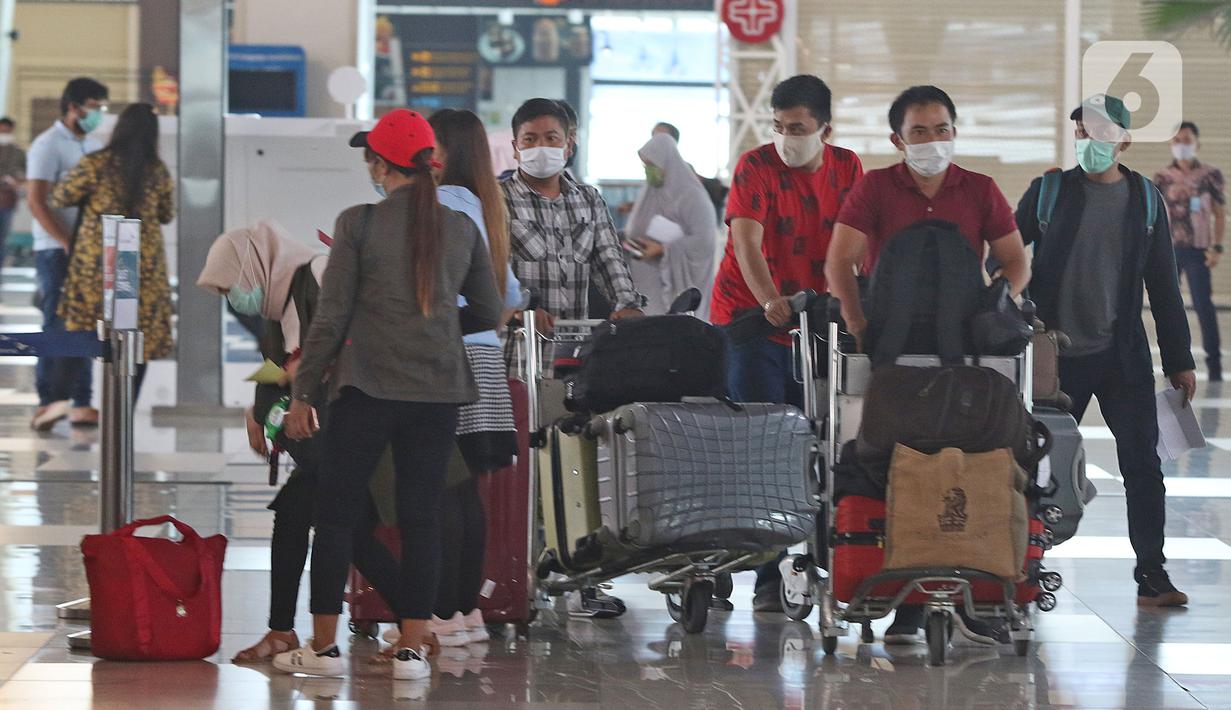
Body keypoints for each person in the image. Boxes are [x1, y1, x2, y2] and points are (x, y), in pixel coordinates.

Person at [274, 109, 502, 680]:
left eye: (369, 158)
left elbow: (330, 320)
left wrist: (303, 393)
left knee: (336, 513)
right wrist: (436, 328)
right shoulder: (461, 228)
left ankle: (323, 651)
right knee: (422, 516)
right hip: (439, 392)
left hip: (368, 388)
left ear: (380, 164)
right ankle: (411, 650)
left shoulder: (359, 222)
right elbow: (489, 312)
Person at [826, 85, 1030, 645]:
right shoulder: (874, 188)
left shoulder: (980, 190)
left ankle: (973, 583)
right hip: (890, 350)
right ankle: (905, 590)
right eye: (920, 132)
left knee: (965, 459)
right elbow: (839, 262)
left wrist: (995, 307)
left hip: (963, 351)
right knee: (896, 459)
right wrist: (859, 322)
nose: (933, 141)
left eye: (942, 129)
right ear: (898, 139)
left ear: (954, 132)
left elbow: (1014, 261)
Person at [1016, 94, 1195, 609]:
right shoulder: (1049, 191)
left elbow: (1163, 285)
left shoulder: (1145, 199)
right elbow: (1003, 253)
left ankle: (1152, 576)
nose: (1090, 141)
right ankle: (1025, 566)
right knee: (1034, 464)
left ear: (1124, 138)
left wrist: (1179, 359)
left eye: (1100, 131)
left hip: (1122, 355)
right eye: (1081, 131)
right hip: (1053, 355)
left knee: (1143, 464)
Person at [196, 220, 403, 664]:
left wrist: (307, 368)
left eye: (235, 285)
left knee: (342, 529)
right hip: (323, 436)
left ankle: (417, 627)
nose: (236, 298)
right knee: (304, 519)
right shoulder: (278, 306)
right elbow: (273, 367)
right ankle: (283, 631)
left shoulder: (321, 274)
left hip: (357, 424)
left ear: (257, 264)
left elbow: (365, 334)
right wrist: (256, 408)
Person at [709, 74, 864, 613]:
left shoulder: (847, 168)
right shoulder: (756, 167)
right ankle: (754, 569)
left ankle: (811, 556)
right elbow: (746, 242)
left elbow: (855, 243)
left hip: (817, 323)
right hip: (752, 318)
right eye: (778, 126)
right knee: (758, 443)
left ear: (825, 126)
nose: (786, 137)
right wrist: (770, 299)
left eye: (797, 128)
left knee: (816, 444)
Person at [502, 97, 642, 618]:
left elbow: (611, 262)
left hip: (576, 359)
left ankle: (581, 578)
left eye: (551, 138)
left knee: (575, 466)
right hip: (515, 359)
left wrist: (628, 307)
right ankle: (519, 577)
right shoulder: (499, 200)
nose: (542, 148)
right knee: (523, 470)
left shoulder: (588, 199)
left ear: (571, 141)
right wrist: (519, 312)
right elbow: (490, 269)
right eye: (530, 139)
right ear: (515, 145)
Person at [421, 107, 522, 646]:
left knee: (440, 487)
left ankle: (442, 612)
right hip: (484, 354)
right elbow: (508, 296)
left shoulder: (442, 204)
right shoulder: (487, 205)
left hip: (446, 354)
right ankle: (465, 613)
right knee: (464, 493)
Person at [51, 102, 174, 399]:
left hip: (97, 262)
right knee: (136, 338)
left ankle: (58, 399)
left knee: (80, 328)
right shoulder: (157, 171)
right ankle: (125, 409)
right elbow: (166, 213)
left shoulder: (96, 163)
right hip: (141, 266)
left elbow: (60, 196)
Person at [26, 77, 108, 431]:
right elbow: (37, 200)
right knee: (56, 321)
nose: (98, 113)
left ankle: (81, 402)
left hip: (86, 252)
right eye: (93, 105)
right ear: (73, 107)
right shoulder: (47, 145)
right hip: (55, 250)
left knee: (85, 324)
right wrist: (65, 241)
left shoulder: (90, 144)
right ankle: (47, 402)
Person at [1154, 121, 1226, 381]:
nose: (1181, 145)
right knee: (1167, 306)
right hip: (1169, 251)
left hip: (1198, 250)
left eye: (1186, 140)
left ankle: (1215, 365)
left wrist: (1216, 246)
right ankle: (1171, 363)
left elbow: (1219, 214)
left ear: (1196, 143)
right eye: (1177, 140)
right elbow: (1155, 216)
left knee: (1203, 306)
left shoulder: (1210, 175)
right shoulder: (1162, 178)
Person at [624, 132, 717, 318]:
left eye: (651, 165)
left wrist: (663, 249)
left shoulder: (692, 196)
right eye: (645, 165)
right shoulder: (649, 193)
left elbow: (705, 241)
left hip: (676, 282)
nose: (648, 170)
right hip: (645, 281)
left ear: (668, 162)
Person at [0, 117, 27, 279]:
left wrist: (15, 181)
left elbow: (26, 176)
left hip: (7, 202)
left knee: (2, 241)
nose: (4, 134)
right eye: (2, 131)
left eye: (7, 131)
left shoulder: (18, 153)